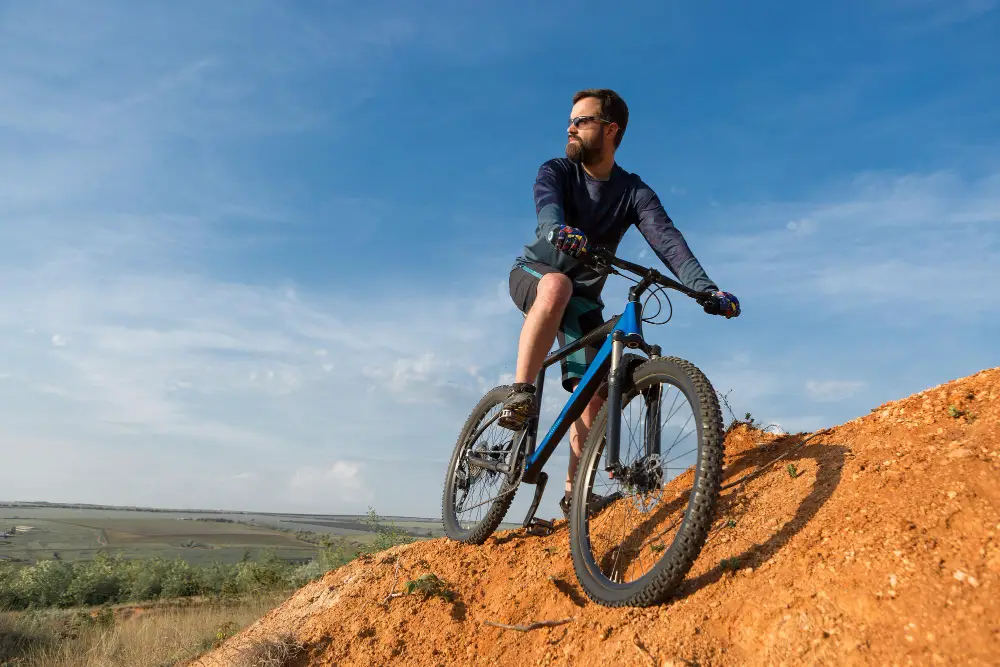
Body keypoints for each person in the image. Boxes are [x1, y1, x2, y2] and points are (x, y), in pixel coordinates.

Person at [501, 88, 740, 518]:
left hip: (582, 298)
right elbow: (547, 206)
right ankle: (520, 394)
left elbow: (668, 240)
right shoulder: (557, 169)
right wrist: (557, 230)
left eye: (582, 121)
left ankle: (577, 493)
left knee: (592, 396)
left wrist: (705, 289)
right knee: (557, 286)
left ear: (611, 130)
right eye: (570, 121)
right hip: (535, 274)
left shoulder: (633, 192)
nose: (570, 128)